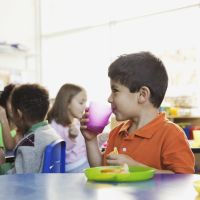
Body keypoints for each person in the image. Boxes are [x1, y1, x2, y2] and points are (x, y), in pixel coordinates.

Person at [81, 51, 195, 174]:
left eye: (115, 90)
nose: (109, 98)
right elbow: (101, 168)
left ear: (142, 95)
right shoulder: (116, 133)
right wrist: (91, 140)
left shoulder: (171, 134)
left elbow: (184, 178)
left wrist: (135, 167)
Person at [7, 83, 60, 174]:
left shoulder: (29, 143)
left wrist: (2, 166)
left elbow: (18, 179)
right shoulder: (51, 132)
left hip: (32, 187)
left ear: (19, 115)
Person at [47, 83, 89, 172]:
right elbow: (58, 155)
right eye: (81, 102)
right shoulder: (54, 126)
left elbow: (84, 147)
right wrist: (71, 138)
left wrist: (99, 140)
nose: (85, 106)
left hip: (83, 162)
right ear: (67, 103)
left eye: (85, 102)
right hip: (73, 168)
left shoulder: (76, 122)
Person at [0, 84, 22, 150]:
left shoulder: (25, 127)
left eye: (18, 102)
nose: (14, 107)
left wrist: (3, 118)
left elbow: (10, 147)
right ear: (5, 103)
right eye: (11, 102)